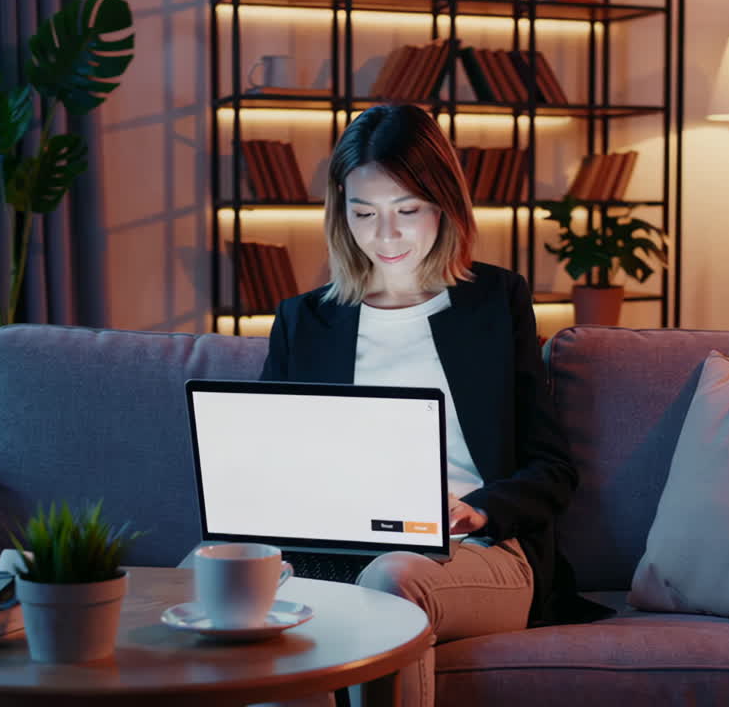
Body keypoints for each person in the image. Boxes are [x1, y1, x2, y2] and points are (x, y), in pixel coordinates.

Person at [260, 103, 610, 707]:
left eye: (407, 211)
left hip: (474, 552)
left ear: (444, 204)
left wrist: (475, 510)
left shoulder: (496, 302)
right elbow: (271, 468)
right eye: (364, 213)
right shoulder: (305, 320)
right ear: (340, 213)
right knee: (229, 580)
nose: (385, 235)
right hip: (337, 550)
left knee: (394, 578)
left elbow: (552, 470)